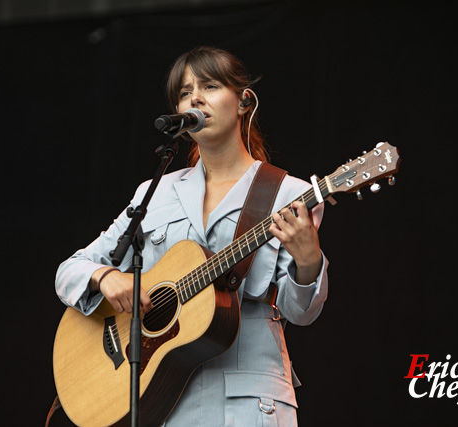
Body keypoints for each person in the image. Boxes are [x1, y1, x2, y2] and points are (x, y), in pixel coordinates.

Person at [55, 46, 329, 426]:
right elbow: (71, 269)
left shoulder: (286, 194)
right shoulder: (157, 192)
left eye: (211, 86)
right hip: (162, 401)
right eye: (185, 93)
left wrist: (308, 260)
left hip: (248, 404)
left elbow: (302, 313)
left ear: (244, 102)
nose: (195, 98)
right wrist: (106, 277)